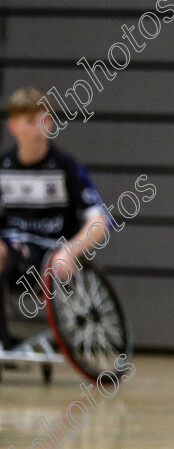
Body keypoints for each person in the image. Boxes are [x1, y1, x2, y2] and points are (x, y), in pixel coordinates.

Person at [0, 87, 108, 347]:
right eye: (29, 122)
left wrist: (71, 251)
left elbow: (99, 222)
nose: (39, 129)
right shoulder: (3, 167)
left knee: (57, 264)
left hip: (53, 252)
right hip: (15, 253)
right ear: (13, 126)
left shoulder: (66, 168)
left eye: (44, 120)